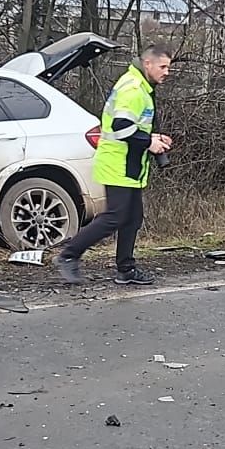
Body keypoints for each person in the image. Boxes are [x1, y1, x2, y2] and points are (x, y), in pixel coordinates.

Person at [55, 46, 174, 285]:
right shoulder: (133, 88)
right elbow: (121, 127)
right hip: (118, 163)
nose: (167, 72)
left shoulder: (142, 86)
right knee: (115, 216)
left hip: (130, 165)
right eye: (163, 67)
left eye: (168, 67)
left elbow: (133, 126)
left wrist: (154, 137)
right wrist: (148, 142)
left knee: (132, 218)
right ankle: (68, 255)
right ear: (148, 64)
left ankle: (126, 269)